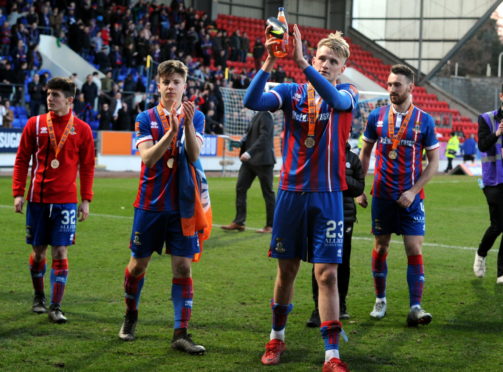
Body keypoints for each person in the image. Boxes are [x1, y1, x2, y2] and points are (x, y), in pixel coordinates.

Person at [243, 24, 358, 372]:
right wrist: (268, 60)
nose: (324, 64)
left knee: (326, 276)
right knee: (287, 271)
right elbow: (251, 101)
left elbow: (335, 100)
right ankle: (276, 337)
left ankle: (332, 355)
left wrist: (301, 61)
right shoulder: (292, 92)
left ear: (342, 68)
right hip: (292, 194)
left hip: (328, 197)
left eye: (332, 61)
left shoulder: (348, 92)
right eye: (321, 57)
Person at [118, 60, 212, 356]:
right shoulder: (145, 118)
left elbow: (195, 155)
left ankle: (181, 333)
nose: (171, 86)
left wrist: (184, 125)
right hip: (150, 205)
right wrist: (171, 133)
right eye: (166, 81)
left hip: (182, 207)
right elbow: (148, 158)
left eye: (176, 82)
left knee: (183, 267)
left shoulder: (195, 118)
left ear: (185, 86)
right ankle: (131, 315)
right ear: (158, 85)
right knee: (138, 265)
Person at [357, 64, 439, 327]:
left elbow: (434, 162)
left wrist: (413, 191)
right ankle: (380, 299)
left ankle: (415, 306)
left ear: (410, 87)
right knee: (381, 246)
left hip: (411, 198)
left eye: (397, 85)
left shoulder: (425, 120)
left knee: (414, 248)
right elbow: (365, 153)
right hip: (382, 194)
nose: (391, 89)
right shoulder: (376, 116)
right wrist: (359, 186)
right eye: (389, 84)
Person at [12, 77, 95, 323]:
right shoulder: (34, 124)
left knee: (60, 251)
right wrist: (18, 192)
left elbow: (88, 167)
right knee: (38, 252)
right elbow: (21, 159)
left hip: (66, 202)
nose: (50, 98)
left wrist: (86, 199)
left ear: (69, 100)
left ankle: (56, 306)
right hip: (38, 199)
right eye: (49, 93)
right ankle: (39, 297)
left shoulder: (82, 129)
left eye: (56, 94)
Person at [307, 142, 365, 326]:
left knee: (343, 263)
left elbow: (359, 188)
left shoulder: (353, 159)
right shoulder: (319, 153)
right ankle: (318, 309)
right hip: (321, 216)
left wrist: (340, 175)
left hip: (344, 217)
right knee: (319, 263)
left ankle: (341, 305)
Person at [221, 110, 276, 233]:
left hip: (263, 160)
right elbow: (249, 137)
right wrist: (240, 143)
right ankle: (239, 222)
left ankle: (271, 225)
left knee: (268, 193)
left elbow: (264, 138)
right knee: (240, 188)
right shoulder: (256, 115)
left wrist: (249, 152)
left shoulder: (265, 114)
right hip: (249, 162)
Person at [473, 85, 503, 285]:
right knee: (498, 224)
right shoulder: (486, 119)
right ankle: (481, 253)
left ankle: (501, 273)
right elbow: (482, 145)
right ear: (501, 96)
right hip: (493, 179)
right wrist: (498, 133)